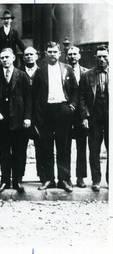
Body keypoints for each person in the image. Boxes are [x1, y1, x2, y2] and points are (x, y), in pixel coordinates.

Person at [32, 41, 78, 192]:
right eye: (49, 51)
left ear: (59, 53)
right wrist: (37, 115)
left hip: (62, 110)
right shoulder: (40, 71)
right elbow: (35, 94)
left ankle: (64, 180)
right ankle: (49, 179)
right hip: (46, 112)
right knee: (46, 147)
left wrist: (71, 107)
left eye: (55, 52)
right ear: (46, 53)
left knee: (63, 147)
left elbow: (75, 91)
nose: (52, 54)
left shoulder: (67, 69)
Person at [0, 48, 31, 193]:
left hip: (19, 121)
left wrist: (27, 117)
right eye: (2, 58)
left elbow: (28, 98)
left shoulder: (22, 75)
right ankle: (5, 181)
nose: (4, 60)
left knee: (19, 152)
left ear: (13, 58)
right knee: (4, 152)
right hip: (2, 123)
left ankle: (17, 181)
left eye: (7, 57)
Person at [79, 45, 109, 192]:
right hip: (94, 116)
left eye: (105, 56)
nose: (102, 59)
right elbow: (82, 98)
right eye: (99, 57)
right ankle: (96, 180)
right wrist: (84, 117)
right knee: (94, 149)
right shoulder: (87, 75)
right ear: (95, 58)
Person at [66, 46, 89, 188]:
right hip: (67, 115)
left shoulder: (86, 72)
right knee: (65, 147)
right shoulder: (63, 71)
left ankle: (80, 177)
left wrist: (85, 115)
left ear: (79, 56)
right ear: (66, 56)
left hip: (82, 116)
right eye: (70, 54)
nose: (73, 57)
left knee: (81, 147)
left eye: (75, 54)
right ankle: (66, 177)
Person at [20, 46, 44, 182]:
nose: (29, 57)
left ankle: (42, 175)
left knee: (40, 147)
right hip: (22, 116)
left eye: (31, 54)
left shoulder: (42, 72)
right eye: (26, 55)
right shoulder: (18, 72)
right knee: (20, 146)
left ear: (36, 56)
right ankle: (19, 176)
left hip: (39, 116)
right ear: (23, 57)